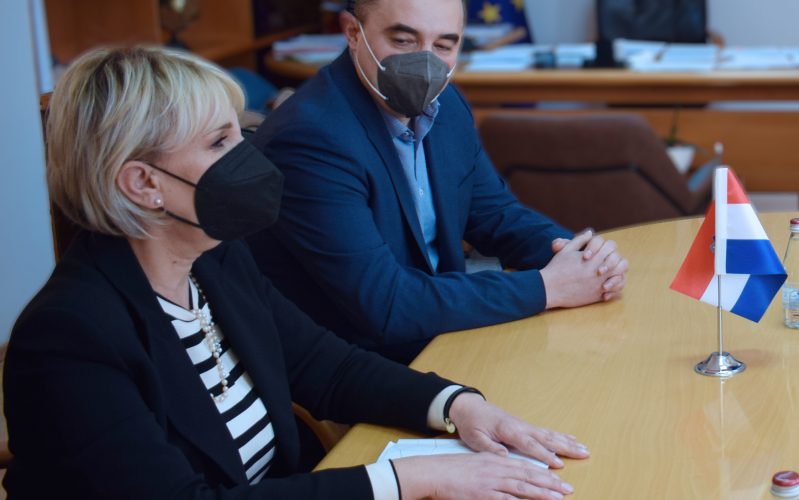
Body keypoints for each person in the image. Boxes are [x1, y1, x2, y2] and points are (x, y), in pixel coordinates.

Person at [7, 45, 588, 499]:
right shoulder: (69, 337)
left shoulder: (216, 260)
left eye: (240, 131)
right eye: (220, 142)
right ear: (142, 184)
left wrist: (458, 405)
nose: (249, 154)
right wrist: (410, 479)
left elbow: (327, 367)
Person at [247, 0, 628, 363]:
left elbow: (496, 215)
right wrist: (548, 287)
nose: (425, 62)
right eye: (403, 40)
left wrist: (580, 258)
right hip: (363, 367)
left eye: (444, 45)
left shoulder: (446, 106)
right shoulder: (310, 139)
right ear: (352, 33)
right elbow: (386, 305)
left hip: (444, 333)